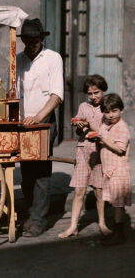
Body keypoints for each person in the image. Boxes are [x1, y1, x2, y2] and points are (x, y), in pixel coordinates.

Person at [16, 18, 64, 237]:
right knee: (26, 172)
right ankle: (30, 213)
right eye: (27, 40)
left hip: (44, 121)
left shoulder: (53, 58)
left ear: (42, 38)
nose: (31, 44)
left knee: (42, 172)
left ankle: (38, 219)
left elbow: (56, 95)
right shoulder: (18, 60)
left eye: (34, 40)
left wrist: (38, 117)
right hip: (22, 122)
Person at [58, 75, 111, 238]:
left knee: (99, 190)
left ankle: (102, 223)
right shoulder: (83, 106)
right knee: (79, 190)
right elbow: (79, 130)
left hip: (100, 152)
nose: (93, 96)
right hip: (83, 150)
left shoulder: (108, 107)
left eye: (97, 92)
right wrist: (79, 126)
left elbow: (104, 132)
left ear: (103, 91)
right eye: (90, 93)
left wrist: (90, 125)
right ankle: (73, 226)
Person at [93, 94, 131, 245]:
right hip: (109, 170)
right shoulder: (106, 124)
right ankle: (116, 231)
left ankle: (119, 233)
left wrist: (102, 139)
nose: (111, 115)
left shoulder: (122, 127)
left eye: (114, 110)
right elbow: (101, 135)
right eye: (107, 111)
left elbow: (120, 149)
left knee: (118, 204)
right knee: (114, 202)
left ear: (121, 110)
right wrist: (96, 136)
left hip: (118, 170)